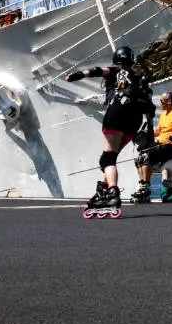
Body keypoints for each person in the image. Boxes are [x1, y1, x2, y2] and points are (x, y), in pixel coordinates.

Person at [62, 46, 154, 215]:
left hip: (117, 113)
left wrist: (77, 75)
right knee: (110, 158)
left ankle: (112, 192)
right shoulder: (139, 76)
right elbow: (149, 104)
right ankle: (103, 190)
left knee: (107, 159)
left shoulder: (116, 71)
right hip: (135, 121)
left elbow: (97, 71)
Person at [132, 92, 172, 204]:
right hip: (160, 144)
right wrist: (142, 133)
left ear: (169, 101)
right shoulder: (163, 114)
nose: (160, 103)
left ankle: (145, 187)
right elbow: (158, 131)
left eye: (162, 101)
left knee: (146, 156)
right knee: (138, 158)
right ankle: (143, 186)